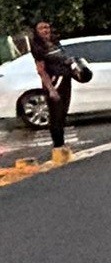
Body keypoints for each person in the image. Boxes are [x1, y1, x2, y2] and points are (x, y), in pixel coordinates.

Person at [30, 20, 75, 164]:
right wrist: (51, 90)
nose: (45, 30)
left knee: (63, 113)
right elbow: (41, 70)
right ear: (36, 31)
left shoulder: (55, 43)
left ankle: (62, 144)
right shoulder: (38, 48)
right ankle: (58, 146)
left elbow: (62, 59)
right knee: (55, 115)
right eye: (41, 28)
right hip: (54, 83)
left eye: (47, 27)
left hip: (65, 79)